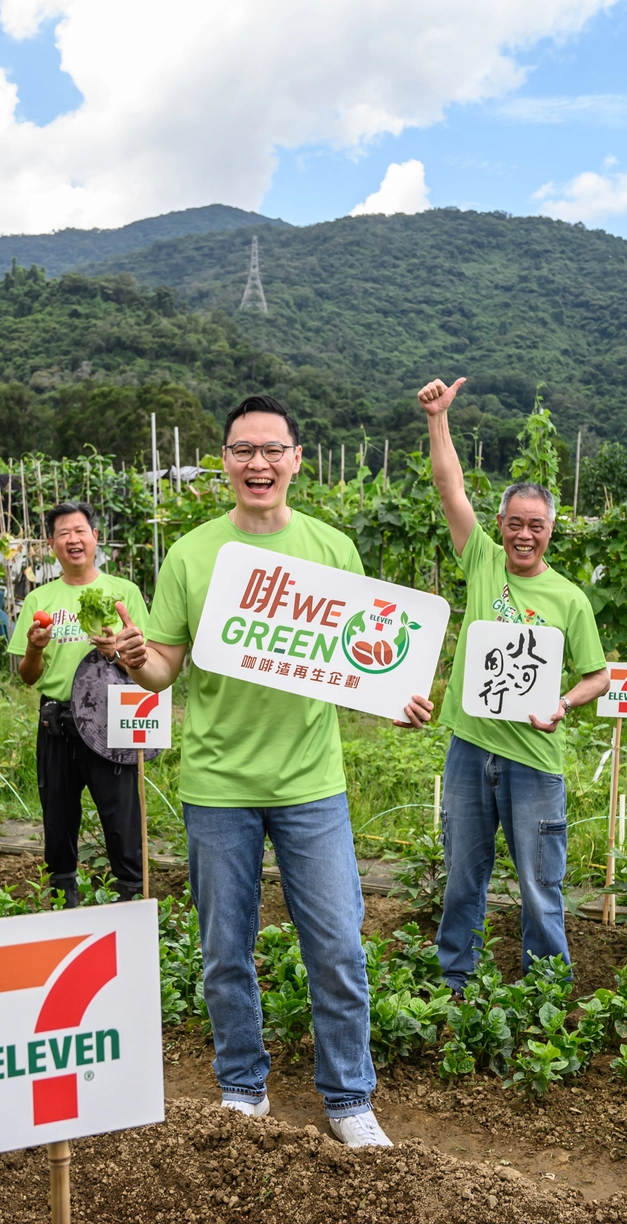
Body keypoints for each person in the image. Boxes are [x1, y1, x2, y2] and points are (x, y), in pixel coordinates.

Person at [110, 394, 432, 1149]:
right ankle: (242, 1088)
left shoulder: (332, 550)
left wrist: (393, 701)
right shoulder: (193, 553)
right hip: (217, 786)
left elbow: (361, 660)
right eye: (242, 450)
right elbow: (162, 668)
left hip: (311, 784)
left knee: (339, 946)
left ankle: (350, 1097)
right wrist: (136, 658)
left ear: (295, 459)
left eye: (271, 450)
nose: (257, 463)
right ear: (223, 462)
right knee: (226, 950)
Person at [417, 378, 610, 990]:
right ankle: (456, 982)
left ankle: (547, 993)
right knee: (463, 875)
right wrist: (439, 419)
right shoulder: (482, 560)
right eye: (515, 523)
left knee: (539, 881)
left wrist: (563, 702)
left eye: (537, 526)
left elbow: (598, 675)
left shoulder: (568, 598)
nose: (524, 535)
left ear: (553, 531)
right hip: (470, 748)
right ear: (499, 523)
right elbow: (450, 487)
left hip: (534, 759)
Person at [12, 501, 148, 906]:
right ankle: (63, 900)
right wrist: (35, 650)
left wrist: (115, 653)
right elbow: (28, 675)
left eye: (80, 531)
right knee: (58, 817)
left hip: (112, 719)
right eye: (63, 534)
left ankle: (132, 900)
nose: (73, 540)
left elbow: (148, 662)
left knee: (123, 819)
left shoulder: (124, 593)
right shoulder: (40, 599)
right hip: (57, 722)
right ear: (51, 544)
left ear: (95, 538)